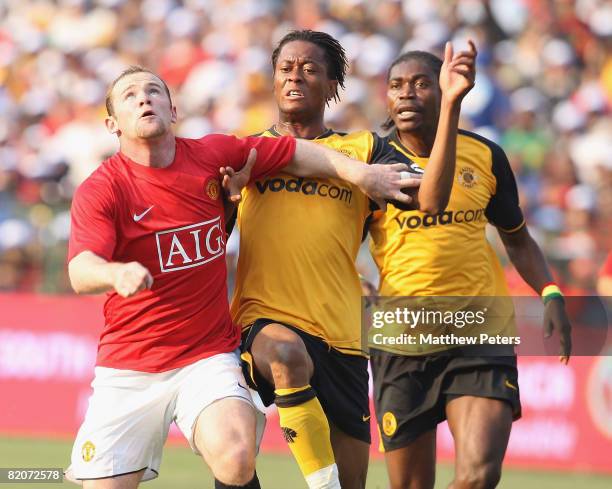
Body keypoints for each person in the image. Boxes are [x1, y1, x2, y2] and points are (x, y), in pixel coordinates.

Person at [63, 65, 418, 489]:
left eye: (154, 91)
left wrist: (359, 173)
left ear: (173, 110)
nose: (144, 99)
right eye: (131, 95)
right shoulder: (103, 189)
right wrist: (114, 272)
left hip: (206, 356)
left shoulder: (212, 155)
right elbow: (80, 270)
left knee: (235, 458)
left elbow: (293, 151)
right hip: (130, 368)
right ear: (112, 124)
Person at [227, 30, 476, 489]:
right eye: (285, 68)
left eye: (309, 69)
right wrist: (227, 199)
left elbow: (433, 201)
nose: (294, 77)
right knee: (282, 359)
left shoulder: (365, 151)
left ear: (332, 84)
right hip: (261, 321)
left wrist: (453, 105)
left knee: (353, 483)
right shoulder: (245, 151)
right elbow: (210, 231)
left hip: (341, 336)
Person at [368, 48, 572, 489]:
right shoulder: (372, 163)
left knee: (479, 475)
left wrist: (550, 292)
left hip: (477, 329)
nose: (407, 94)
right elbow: (337, 243)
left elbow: (516, 237)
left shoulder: (486, 156)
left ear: (445, 93)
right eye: (397, 85)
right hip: (403, 338)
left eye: (422, 83)